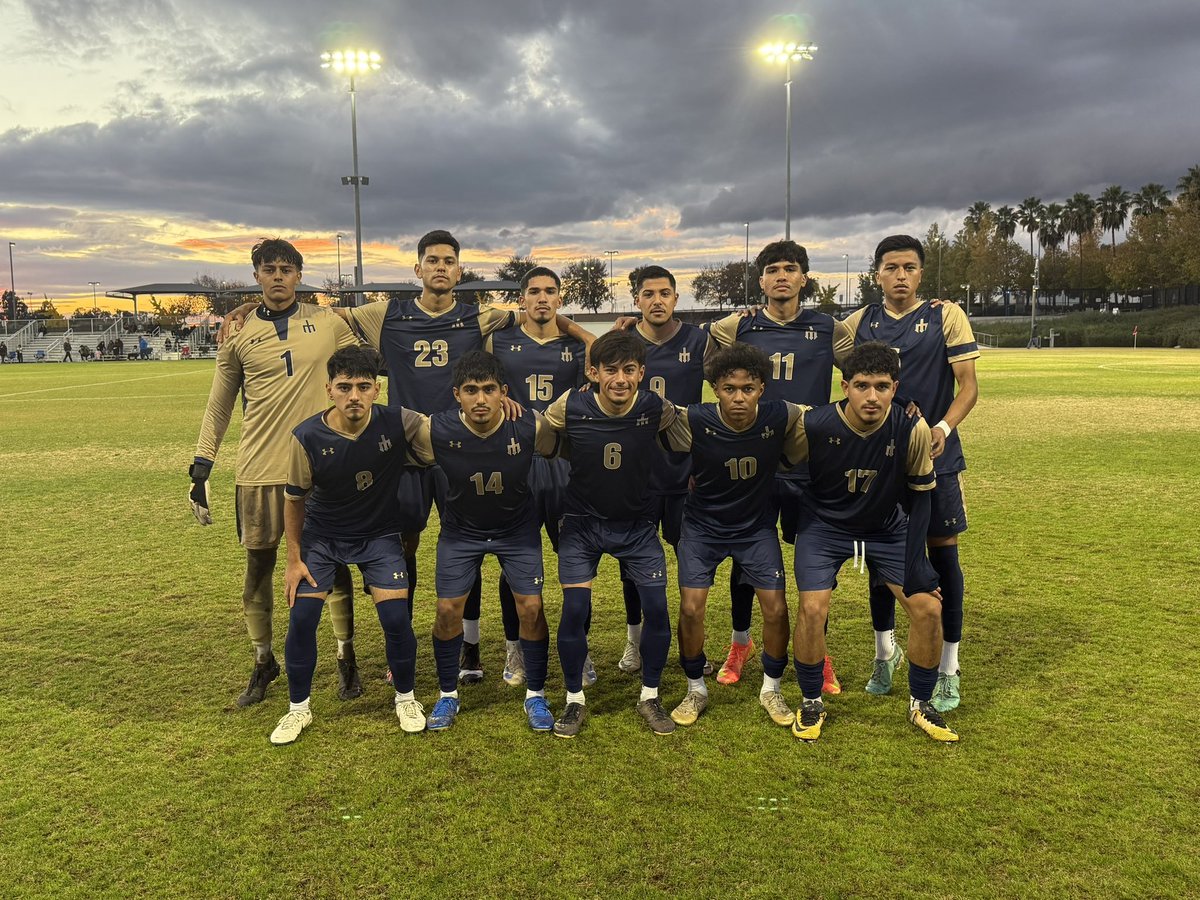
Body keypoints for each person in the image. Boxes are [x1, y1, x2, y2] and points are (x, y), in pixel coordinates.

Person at [337, 231, 592, 684]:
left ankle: (472, 648)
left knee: (469, 541)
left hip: (470, 451)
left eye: (448, 261)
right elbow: (325, 314)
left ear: (459, 270)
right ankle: (404, 649)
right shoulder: (385, 313)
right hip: (411, 454)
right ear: (417, 269)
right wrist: (244, 309)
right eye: (431, 260)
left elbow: (542, 312)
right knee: (404, 549)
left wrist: (581, 333)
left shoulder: (479, 316)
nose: (440, 267)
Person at [191, 239, 361, 708]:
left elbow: (364, 369)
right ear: (257, 276)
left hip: (322, 468)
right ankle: (264, 661)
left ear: (300, 275)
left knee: (332, 566)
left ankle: (347, 657)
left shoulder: (328, 323)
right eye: (270, 270)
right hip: (259, 469)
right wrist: (201, 466)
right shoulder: (237, 337)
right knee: (259, 568)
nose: (279, 277)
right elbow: (219, 404)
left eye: (287, 268)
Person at [836, 235, 979, 711]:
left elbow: (969, 387)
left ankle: (949, 668)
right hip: (880, 462)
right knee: (882, 561)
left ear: (921, 274)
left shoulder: (945, 316)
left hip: (936, 457)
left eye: (910, 267)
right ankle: (884, 654)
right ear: (876, 273)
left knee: (943, 559)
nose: (901, 275)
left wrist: (941, 426)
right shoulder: (858, 323)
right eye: (891, 267)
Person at [788, 341, 957, 743]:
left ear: (895, 389)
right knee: (812, 608)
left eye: (882, 386)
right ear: (845, 386)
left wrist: (917, 563)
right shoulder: (814, 425)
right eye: (862, 385)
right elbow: (777, 464)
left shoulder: (911, 428)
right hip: (825, 529)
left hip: (886, 529)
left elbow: (920, 498)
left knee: (929, 608)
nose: (872, 396)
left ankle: (921, 703)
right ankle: (811, 701)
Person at [270, 346, 428, 744]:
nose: (353, 396)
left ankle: (406, 698)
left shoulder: (400, 421)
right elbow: (293, 499)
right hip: (322, 538)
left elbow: (450, 432)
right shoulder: (306, 436)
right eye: (344, 387)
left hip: (379, 535)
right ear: (329, 390)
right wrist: (292, 559)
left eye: (363, 386)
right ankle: (298, 710)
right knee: (302, 620)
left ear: (377, 389)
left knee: (395, 619)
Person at [707, 240, 841, 693]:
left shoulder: (829, 327)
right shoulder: (737, 327)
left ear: (805, 277)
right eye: (772, 269)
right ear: (760, 280)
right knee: (747, 561)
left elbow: (865, 371)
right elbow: (702, 370)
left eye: (790, 268)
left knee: (815, 565)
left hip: (813, 465)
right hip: (755, 463)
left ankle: (816, 653)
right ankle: (740, 644)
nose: (781, 276)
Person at [410, 351, 560, 733]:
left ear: (503, 393)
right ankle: (447, 695)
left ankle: (536, 694)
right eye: (471, 390)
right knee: (447, 611)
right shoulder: (435, 430)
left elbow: (563, 445)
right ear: (456, 393)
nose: (480, 399)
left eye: (489, 390)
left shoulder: (530, 425)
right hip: (462, 532)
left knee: (531, 607)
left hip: (517, 530)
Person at [541, 330, 678, 737]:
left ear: (642, 373)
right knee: (575, 611)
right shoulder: (570, 404)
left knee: (656, 609)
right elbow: (545, 439)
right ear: (592, 372)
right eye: (611, 370)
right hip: (582, 525)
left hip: (637, 527)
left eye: (629, 370)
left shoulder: (657, 407)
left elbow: (687, 431)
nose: (620, 379)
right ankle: (573, 700)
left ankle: (650, 695)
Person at [660, 343, 798, 728]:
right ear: (715, 389)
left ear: (762, 389)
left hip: (755, 529)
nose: (739, 397)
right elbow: (645, 411)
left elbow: (833, 417)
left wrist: (904, 404)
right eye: (729, 389)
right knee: (691, 607)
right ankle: (695, 689)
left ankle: (771, 687)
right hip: (703, 527)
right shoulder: (694, 419)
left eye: (748, 388)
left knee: (776, 608)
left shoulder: (782, 415)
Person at [486, 266, 592, 687]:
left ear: (560, 298)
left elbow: (602, 359)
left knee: (575, 564)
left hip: (568, 464)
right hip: (516, 462)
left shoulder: (579, 347)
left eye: (550, 292)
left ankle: (577, 650)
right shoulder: (499, 340)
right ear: (522, 299)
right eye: (534, 292)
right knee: (514, 564)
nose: (542, 298)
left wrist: (579, 332)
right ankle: (515, 648)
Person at [613, 265, 712, 677]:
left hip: (684, 472)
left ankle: (694, 650)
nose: (657, 300)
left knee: (691, 562)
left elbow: (732, 377)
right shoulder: (621, 343)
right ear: (636, 300)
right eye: (648, 293)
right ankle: (634, 643)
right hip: (635, 473)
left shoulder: (699, 340)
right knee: (632, 563)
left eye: (665, 293)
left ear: (676, 298)